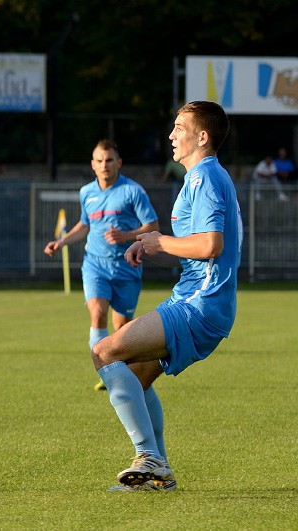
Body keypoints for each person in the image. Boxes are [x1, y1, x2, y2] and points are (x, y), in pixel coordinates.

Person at [92, 101, 242, 493]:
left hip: (200, 304)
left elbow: (211, 244)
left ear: (202, 137)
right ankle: (159, 474)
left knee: (105, 352)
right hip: (194, 298)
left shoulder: (205, 176)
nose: (172, 135)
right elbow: (196, 251)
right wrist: (155, 249)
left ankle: (150, 457)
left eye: (180, 127)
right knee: (137, 379)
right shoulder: (201, 177)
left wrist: (161, 240)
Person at [44, 139, 159, 392]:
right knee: (97, 313)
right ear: (93, 165)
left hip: (127, 267)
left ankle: (124, 372)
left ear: (119, 162)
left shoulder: (133, 191)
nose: (104, 165)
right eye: (99, 160)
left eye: (109, 160)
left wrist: (126, 236)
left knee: (122, 328)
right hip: (95, 264)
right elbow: (84, 225)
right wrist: (61, 242)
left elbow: (152, 226)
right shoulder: (87, 192)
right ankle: (107, 373)